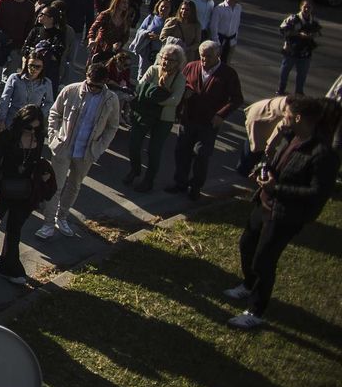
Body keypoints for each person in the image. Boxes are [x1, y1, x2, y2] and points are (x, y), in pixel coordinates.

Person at [226, 96, 340, 329]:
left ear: (298, 118)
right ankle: (248, 285)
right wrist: (264, 170)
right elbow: (278, 163)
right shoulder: (292, 137)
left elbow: (316, 192)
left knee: (264, 260)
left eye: (286, 114)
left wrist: (276, 188)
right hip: (264, 203)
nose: (283, 117)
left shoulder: (322, 153)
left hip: (285, 214)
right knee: (247, 244)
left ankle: (255, 311)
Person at [37, 61, 121, 239]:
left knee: (74, 186)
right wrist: (54, 137)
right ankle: (48, 223)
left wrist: (99, 148)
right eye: (90, 84)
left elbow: (112, 127)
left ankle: (62, 217)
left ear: (105, 82)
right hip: (63, 147)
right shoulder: (71, 90)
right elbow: (54, 113)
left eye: (98, 87)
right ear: (86, 77)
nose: (93, 89)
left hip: (86, 152)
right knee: (55, 186)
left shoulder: (111, 99)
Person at [169, 40, 244, 198]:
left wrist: (221, 115)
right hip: (188, 119)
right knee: (182, 152)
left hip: (209, 123)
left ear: (218, 55)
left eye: (208, 56)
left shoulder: (228, 73)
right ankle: (180, 183)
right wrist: (182, 100)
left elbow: (237, 99)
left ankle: (195, 187)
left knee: (201, 154)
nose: (204, 60)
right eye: (202, 56)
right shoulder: (191, 67)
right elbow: (180, 85)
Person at [0, 107, 54, 285]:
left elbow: (35, 162)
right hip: (4, 187)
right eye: (28, 127)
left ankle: (9, 267)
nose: (32, 131)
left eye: (36, 128)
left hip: (25, 191)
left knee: (14, 229)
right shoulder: (7, 137)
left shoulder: (38, 138)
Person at [125, 43, 186, 192]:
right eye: (164, 58)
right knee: (134, 143)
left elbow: (175, 100)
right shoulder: (153, 69)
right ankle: (135, 169)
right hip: (145, 114)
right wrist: (159, 94)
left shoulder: (180, 78)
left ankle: (148, 180)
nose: (166, 62)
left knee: (154, 150)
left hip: (164, 118)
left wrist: (154, 99)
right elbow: (140, 87)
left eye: (171, 60)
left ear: (178, 62)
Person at [0, 51, 55, 127]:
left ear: (42, 67)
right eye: (31, 65)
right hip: (12, 120)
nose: (34, 69)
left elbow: (49, 103)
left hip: (31, 123)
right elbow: (5, 99)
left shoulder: (46, 83)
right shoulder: (15, 78)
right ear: (27, 65)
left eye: (38, 67)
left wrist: (38, 116)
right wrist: (1, 119)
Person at [277, 0, 321, 96]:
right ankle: (280, 91)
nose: (306, 9)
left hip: (306, 52)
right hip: (291, 50)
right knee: (284, 72)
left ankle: (299, 93)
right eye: (305, 7)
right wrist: (298, 34)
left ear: (312, 9)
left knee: (302, 74)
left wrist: (312, 35)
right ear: (301, 7)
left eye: (309, 7)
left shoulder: (314, 21)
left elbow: (318, 33)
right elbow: (282, 30)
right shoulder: (292, 18)